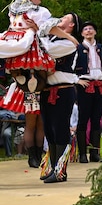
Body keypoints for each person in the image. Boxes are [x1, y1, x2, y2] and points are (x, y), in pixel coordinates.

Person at [0, 0, 78, 92]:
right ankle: (30, 77)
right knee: (39, 56)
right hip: (27, 39)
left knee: (12, 54)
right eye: (40, 0)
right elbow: (50, 29)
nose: (40, 2)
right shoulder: (38, 11)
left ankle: (19, 75)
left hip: (12, 36)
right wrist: (69, 37)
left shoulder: (14, 8)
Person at [38, 13, 81, 183]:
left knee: (60, 128)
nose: (60, 19)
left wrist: (38, 30)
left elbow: (46, 50)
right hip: (46, 89)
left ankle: (60, 171)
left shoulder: (70, 42)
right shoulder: (53, 38)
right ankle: (52, 167)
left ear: (71, 25)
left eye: (65, 18)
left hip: (63, 90)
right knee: (49, 129)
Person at [75, 21, 102, 163]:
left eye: (91, 29)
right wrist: (77, 80)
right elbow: (69, 67)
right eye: (85, 29)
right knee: (82, 119)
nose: (88, 31)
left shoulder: (101, 48)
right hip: (84, 86)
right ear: (82, 33)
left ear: (95, 32)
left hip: (99, 86)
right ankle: (82, 153)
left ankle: (95, 154)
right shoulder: (77, 48)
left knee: (96, 119)